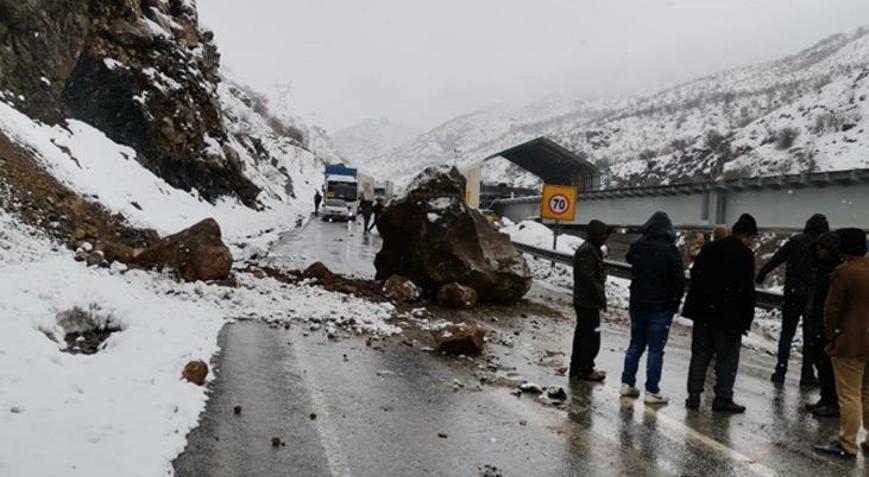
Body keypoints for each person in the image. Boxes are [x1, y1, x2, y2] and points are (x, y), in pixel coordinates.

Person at [683, 213, 758, 413]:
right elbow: (747, 291)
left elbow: (696, 275)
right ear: (747, 235)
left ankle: (693, 395)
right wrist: (746, 318)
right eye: (752, 239)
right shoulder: (745, 255)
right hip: (728, 318)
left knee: (700, 355)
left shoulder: (709, 249)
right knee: (727, 359)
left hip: (703, 314)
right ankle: (723, 398)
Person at [814, 228, 869, 459]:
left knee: (849, 394)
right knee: (867, 392)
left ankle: (847, 442)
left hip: (850, 342)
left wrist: (832, 335)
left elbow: (831, 309)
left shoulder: (843, 273)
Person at [620, 212, 686, 404]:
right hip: (660, 308)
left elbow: (629, 258)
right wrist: (673, 303)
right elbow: (678, 281)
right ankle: (652, 390)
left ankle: (627, 384)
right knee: (655, 350)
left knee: (635, 345)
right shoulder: (670, 250)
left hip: (638, 304)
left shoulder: (639, 246)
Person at [757, 214, 830, 386]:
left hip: (792, 294)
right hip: (812, 297)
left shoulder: (795, 241)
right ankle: (807, 374)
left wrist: (761, 274)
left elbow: (776, 259)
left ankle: (780, 371)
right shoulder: (821, 246)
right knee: (809, 336)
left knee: (787, 334)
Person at [805, 232, 843, 418]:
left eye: (822, 248)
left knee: (826, 364)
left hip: (824, 323)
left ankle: (832, 401)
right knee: (820, 362)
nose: (819, 251)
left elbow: (831, 303)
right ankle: (826, 398)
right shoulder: (822, 269)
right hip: (817, 321)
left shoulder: (834, 271)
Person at [571, 219, 611, 382]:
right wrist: (600, 298)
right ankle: (585, 369)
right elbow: (588, 279)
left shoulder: (591, 249)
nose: (605, 238)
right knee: (590, 337)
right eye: (602, 235)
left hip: (586, 301)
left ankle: (578, 368)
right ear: (595, 234)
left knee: (583, 335)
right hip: (588, 302)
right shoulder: (588, 251)